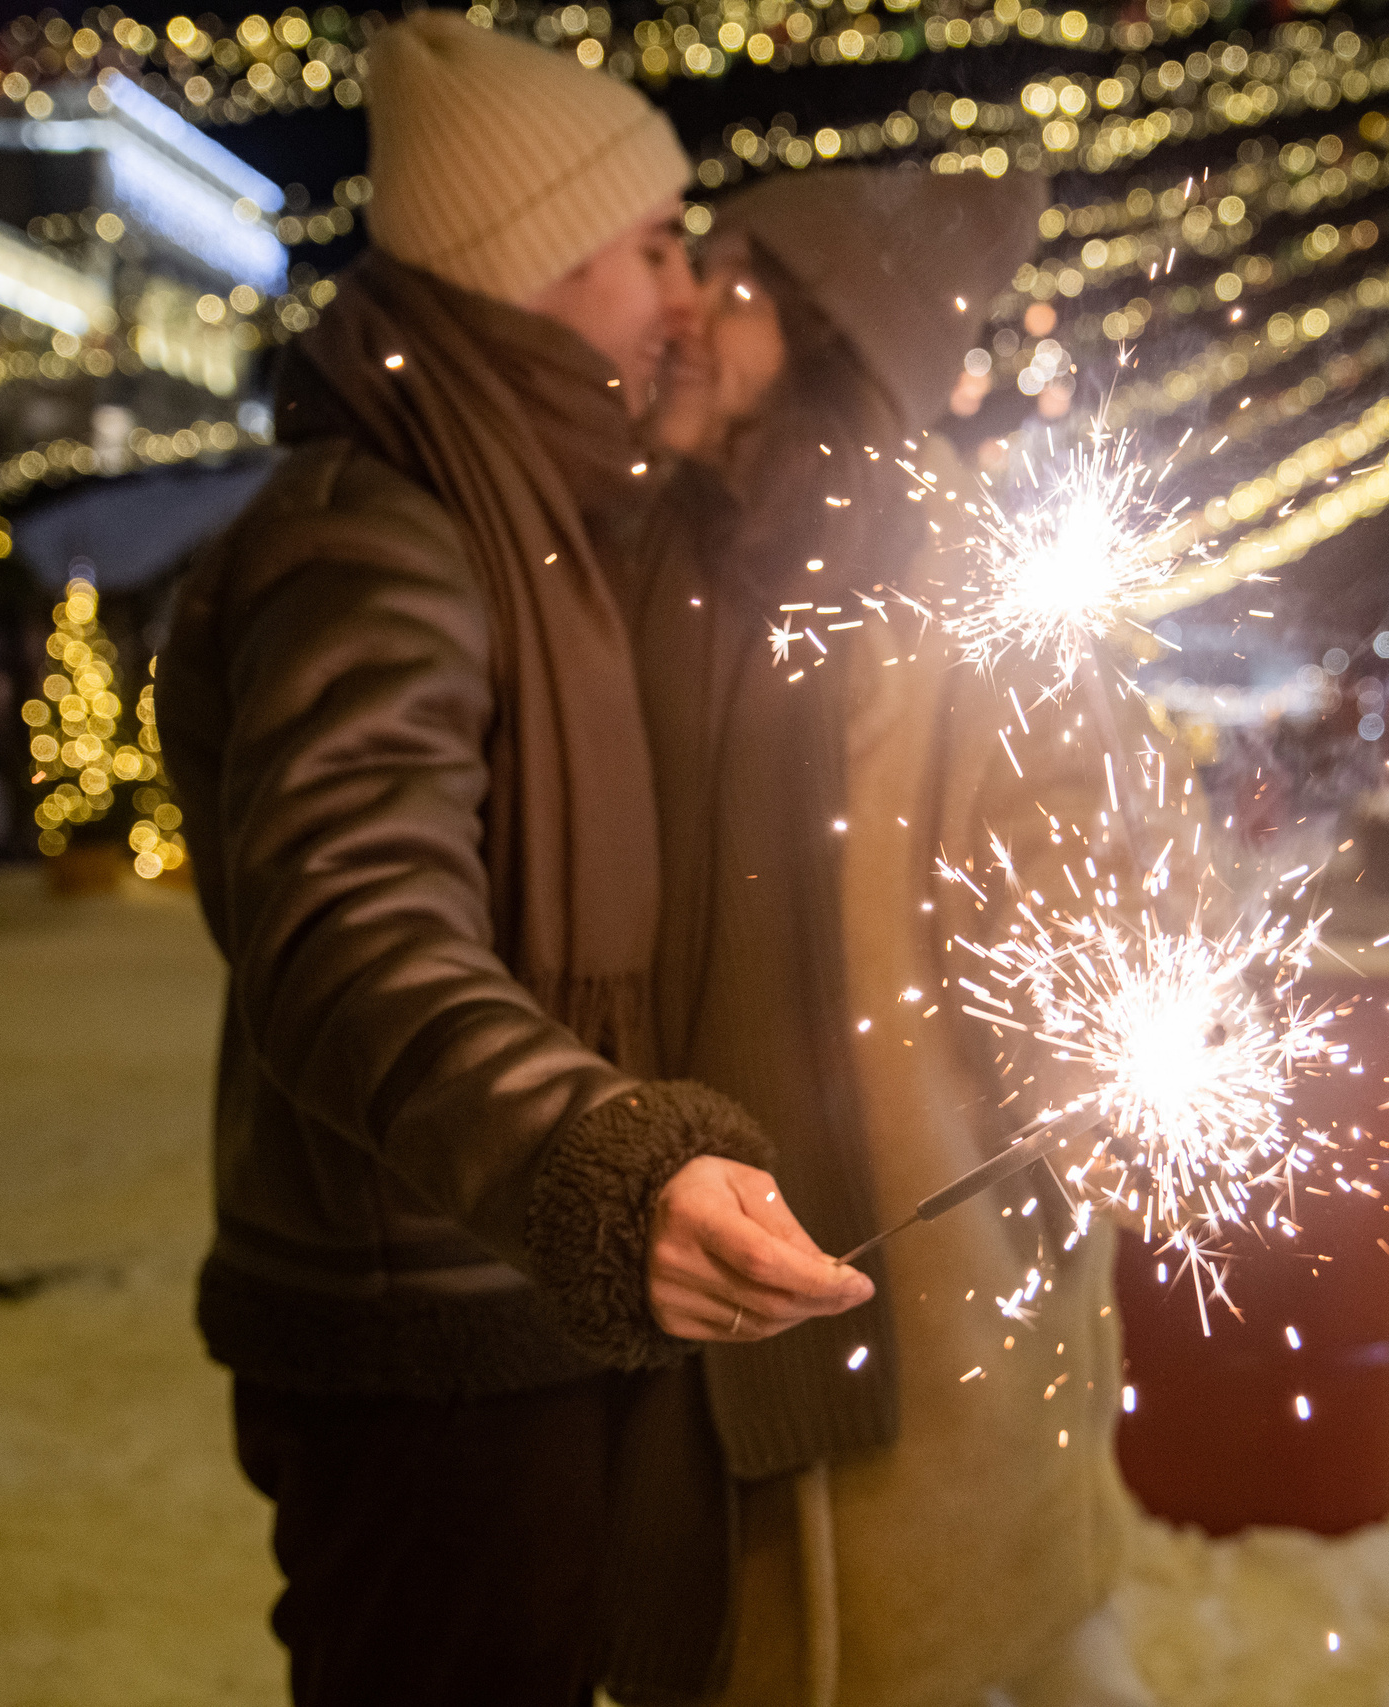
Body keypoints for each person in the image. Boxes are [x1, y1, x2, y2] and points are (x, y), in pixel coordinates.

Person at [157, 19, 871, 1706]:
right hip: (423, 1332)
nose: (685, 296)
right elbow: (346, 929)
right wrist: (599, 1155)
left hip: (500, 1297)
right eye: (647, 250)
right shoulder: (374, 534)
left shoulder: (519, 511)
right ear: (537, 267)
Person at [632, 166, 1181, 1707]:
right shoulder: (663, 555)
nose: (685, 309)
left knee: (984, 1647)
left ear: (825, 340)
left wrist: (1129, 1073)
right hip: (707, 1264)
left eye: (730, 283)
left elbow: (1087, 920)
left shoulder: (962, 599)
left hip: (927, 1299)